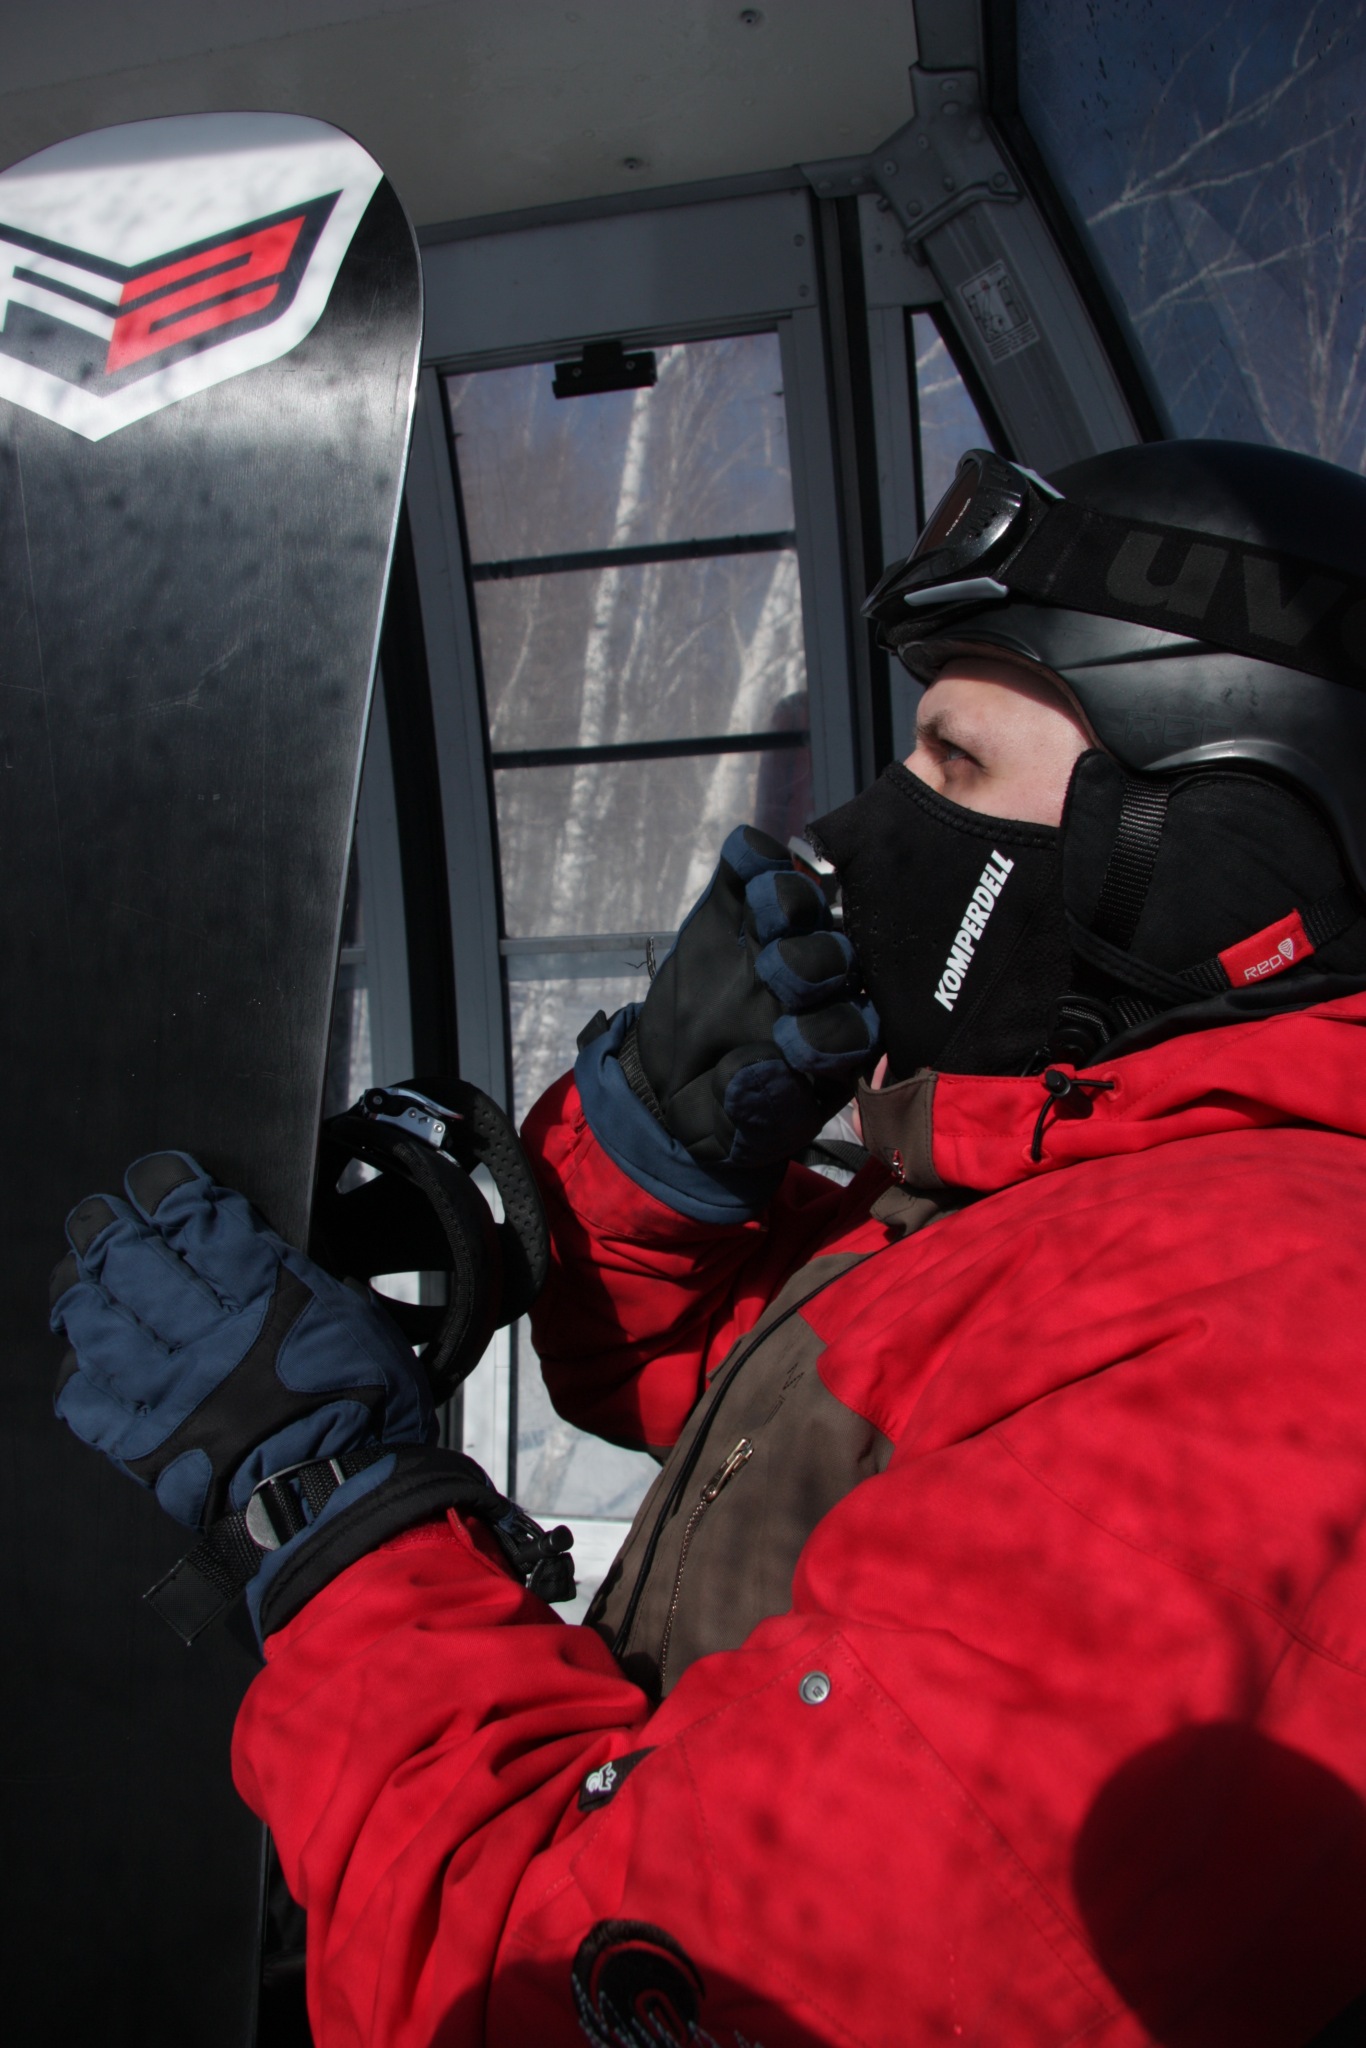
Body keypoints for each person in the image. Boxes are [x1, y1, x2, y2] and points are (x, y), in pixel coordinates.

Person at [51, 441, 1366, 2046]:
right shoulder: (1092, 1186)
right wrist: (658, 1157)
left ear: (1204, 857)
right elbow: (726, 1423)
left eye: (953, 763)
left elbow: (566, 1990)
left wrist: (328, 1519)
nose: (867, 829)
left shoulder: (1276, 1361)